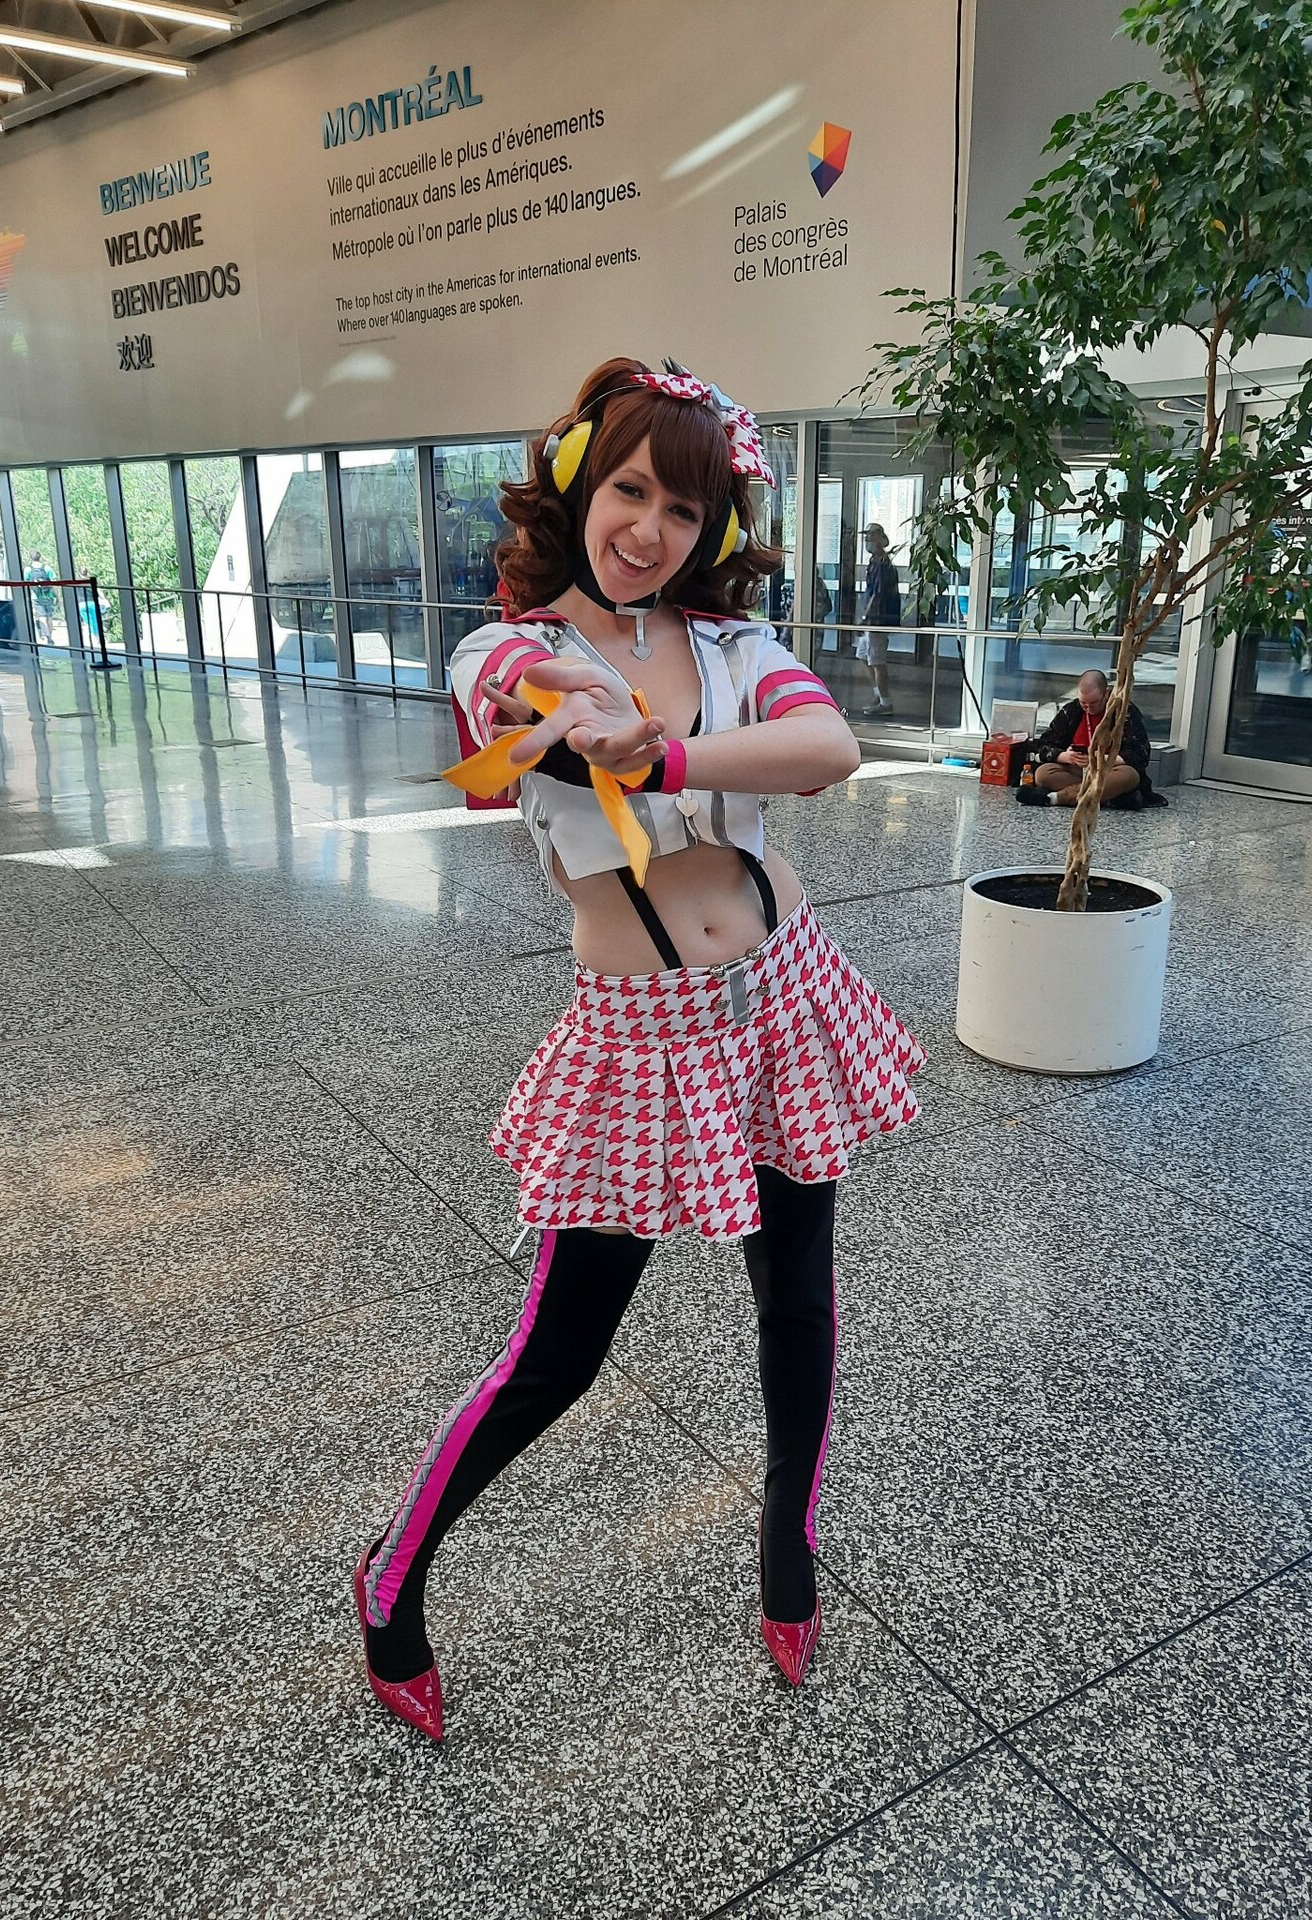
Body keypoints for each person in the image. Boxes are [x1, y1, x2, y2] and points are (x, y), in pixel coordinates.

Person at [352, 357, 927, 1741]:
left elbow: (828, 746)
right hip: (642, 1039)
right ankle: (391, 1575)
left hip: (784, 997)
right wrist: (579, 705)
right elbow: (521, 702)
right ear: (577, 488)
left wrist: (662, 752)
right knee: (560, 1353)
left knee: (797, 1303)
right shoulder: (499, 649)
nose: (650, 530)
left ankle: (788, 1553)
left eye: (682, 508)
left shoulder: (732, 645)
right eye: (628, 491)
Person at [1016, 668, 1157, 808]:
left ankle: (1057, 798)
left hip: (1110, 770)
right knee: (1043, 774)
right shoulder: (1071, 710)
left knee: (1129, 776)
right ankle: (1110, 797)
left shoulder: (1125, 712)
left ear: (1106, 694)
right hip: (1078, 769)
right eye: (1084, 704)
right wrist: (1066, 756)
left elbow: (1139, 755)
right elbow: (1044, 745)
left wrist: (1100, 759)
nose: (1089, 708)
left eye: (1094, 703)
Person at [856, 523, 901, 718]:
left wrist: (866, 617)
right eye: (866, 536)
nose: (867, 540)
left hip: (878, 620)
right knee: (863, 655)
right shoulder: (874, 562)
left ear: (880, 539)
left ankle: (885, 703)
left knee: (877, 661)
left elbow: (878, 595)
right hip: (872, 620)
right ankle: (878, 694)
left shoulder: (883, 564)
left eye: (871, 536)